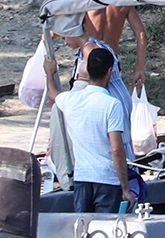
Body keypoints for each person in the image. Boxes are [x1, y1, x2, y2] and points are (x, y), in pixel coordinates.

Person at [54, 45, 131, 213]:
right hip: (107, 180)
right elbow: (117, 150)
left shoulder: (71, 99)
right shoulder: (112, 105)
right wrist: (125, 188)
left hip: (82, 178)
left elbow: (54, 94)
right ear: (110, 71)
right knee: (107, 232)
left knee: (83, 231)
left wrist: (49, 72)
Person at [83, 0, 147, 92]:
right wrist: (139, 68)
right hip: (110, 62)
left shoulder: (85, 2)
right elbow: (142, 35)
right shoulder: (123, 2)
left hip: (89, 61)